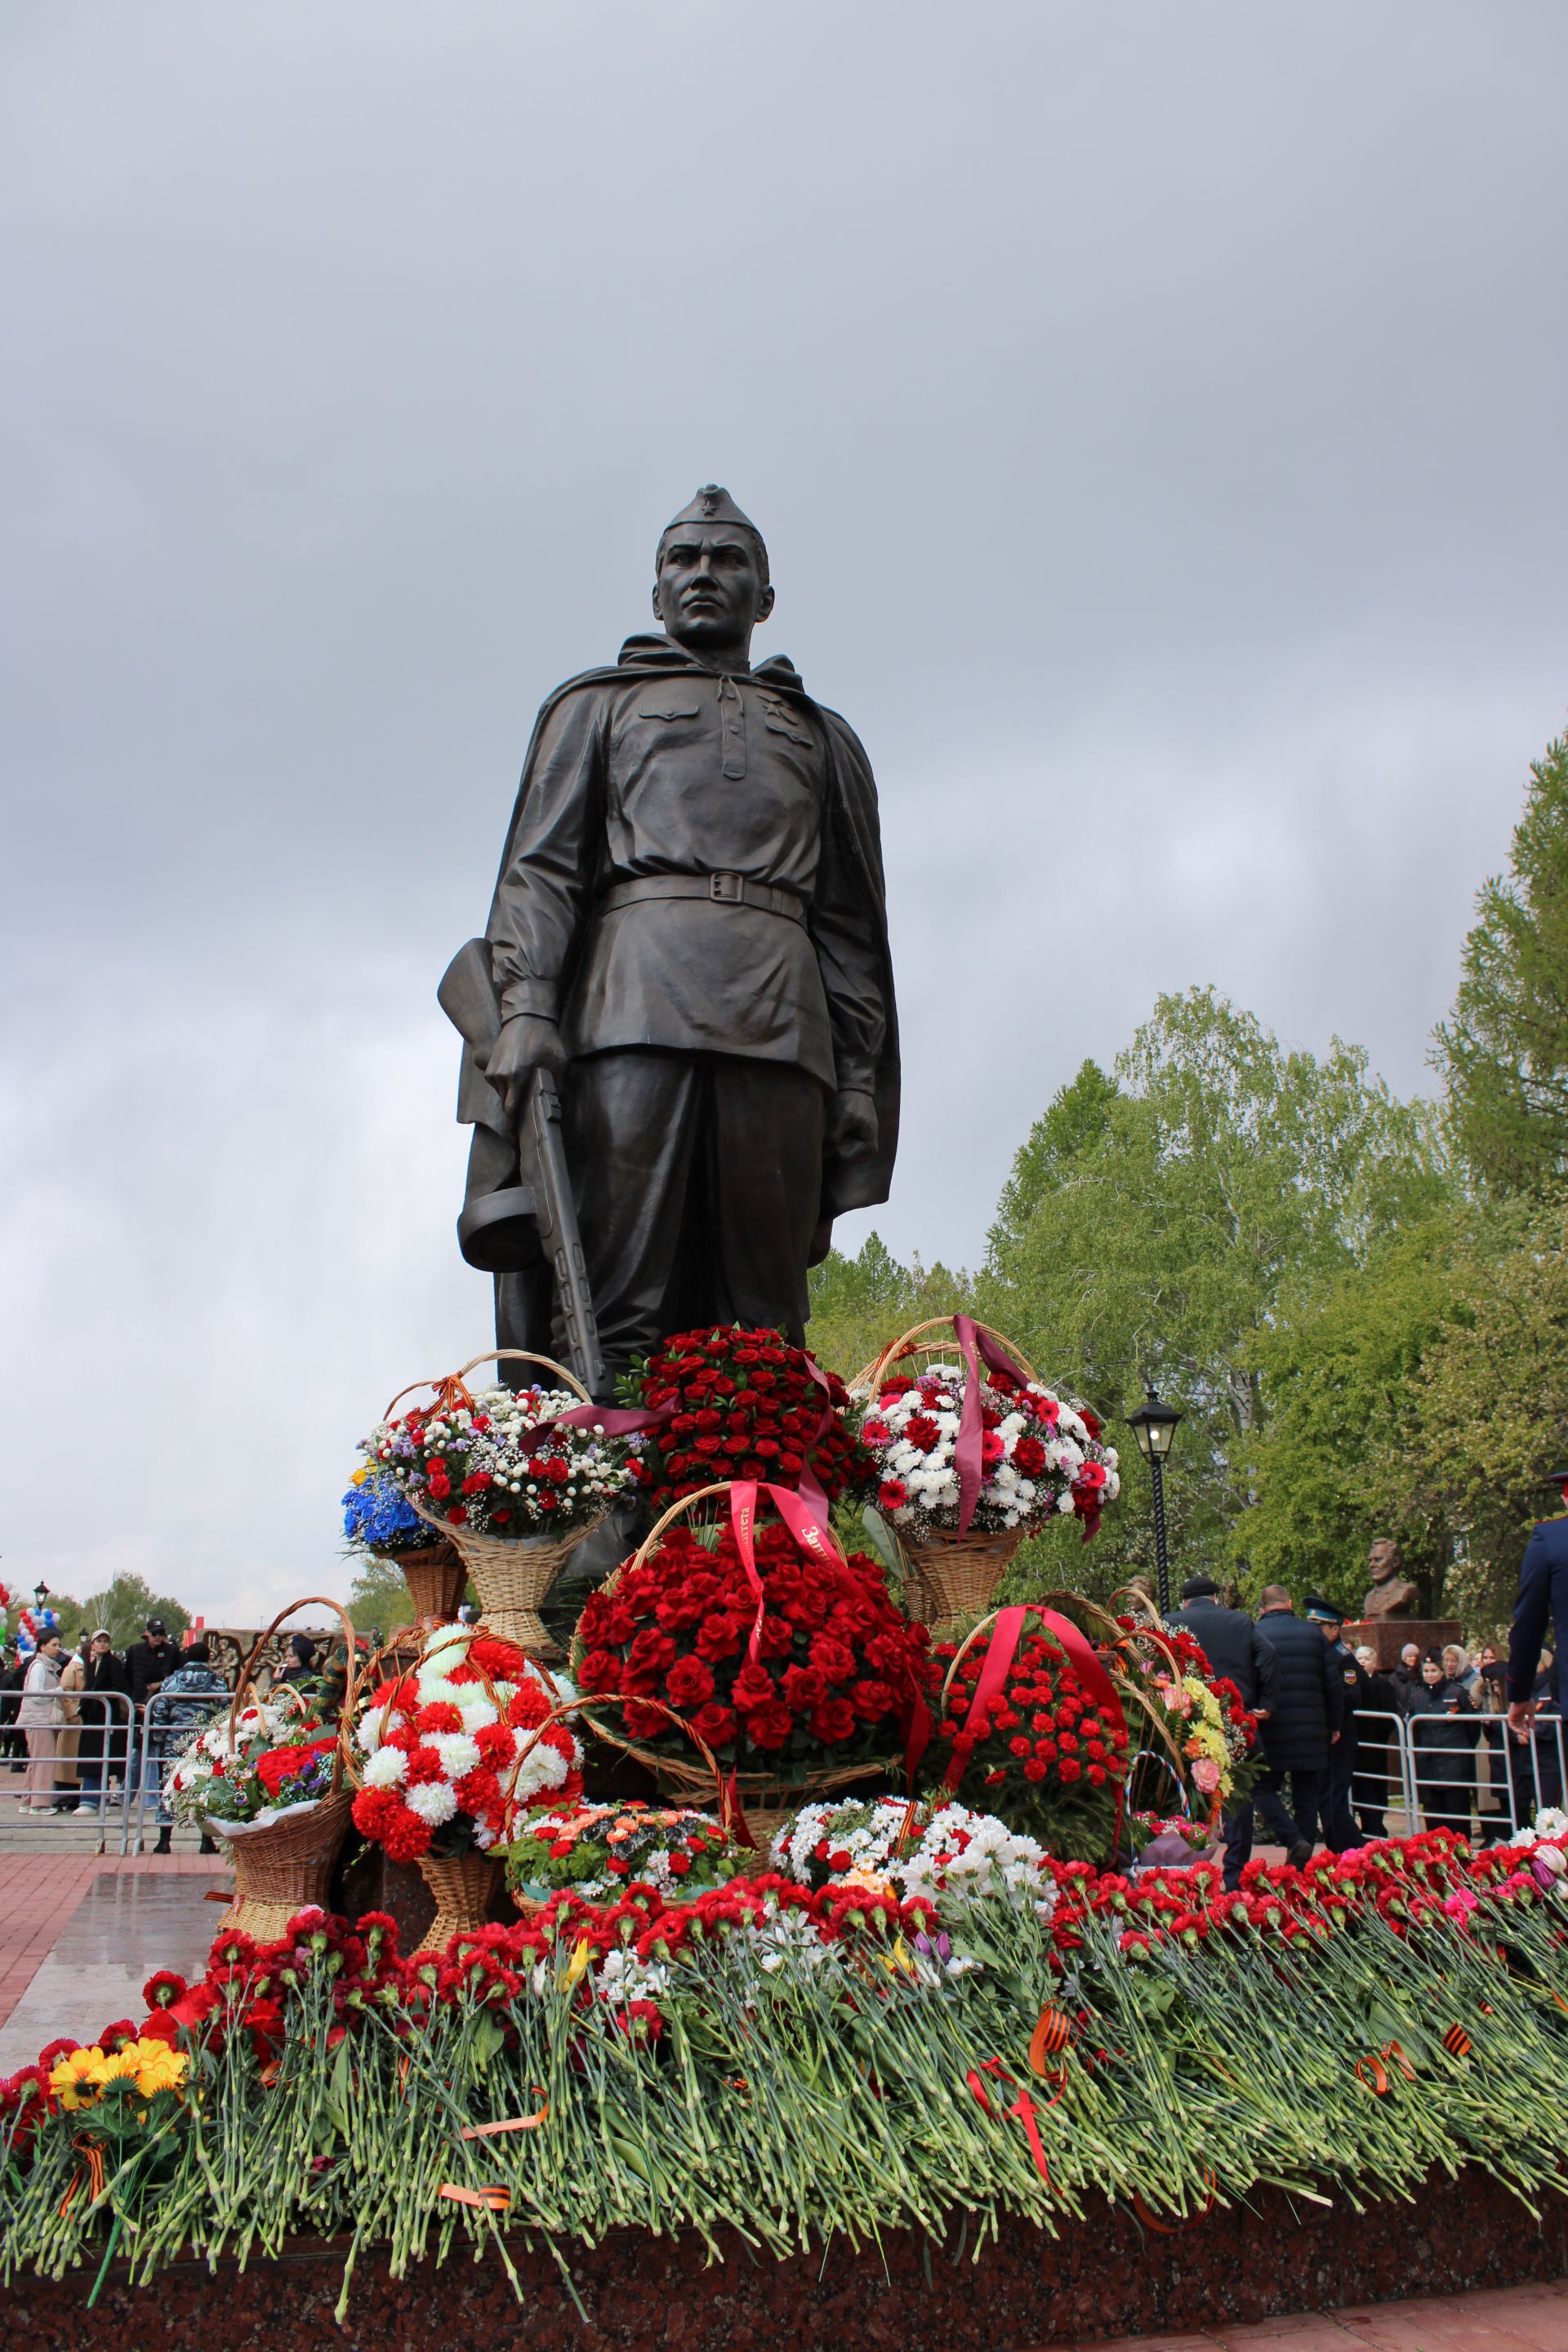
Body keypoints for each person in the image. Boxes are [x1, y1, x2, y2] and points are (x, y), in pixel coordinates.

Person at [446, 486, 899, 1389]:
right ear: (655, 594)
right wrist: (529, 1005)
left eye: (727, 560)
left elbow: (851, 927)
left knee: (765, 1318)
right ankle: (603, 1521)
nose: (702, 575)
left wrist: (856, 1077)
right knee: (614, 1297)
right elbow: (541, 869)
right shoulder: (594, 707)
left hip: (782, 1028)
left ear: (764, 597)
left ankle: (754, 1516)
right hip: (629, 1012)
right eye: (682, 560)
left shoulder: (821, 737)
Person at [1176, 1574, 1280, 1890]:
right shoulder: (1240, 1622)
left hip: (1187, 1720)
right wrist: (1264, 1701)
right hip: (1235, 1716)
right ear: (1216, 1598)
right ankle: (1235, 1873)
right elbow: (1269, 1656)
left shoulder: (1172, 1621)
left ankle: (1191, 1872)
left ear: (1185, 1601)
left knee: (1189, 1795)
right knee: (1237, 1798)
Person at [1251, 1586, 1344, 1867]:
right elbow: (1334, 1685)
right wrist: (1335, 1724)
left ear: (1262, 1609)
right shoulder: (1314, 1634)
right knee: (1306, 1797)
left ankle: (1293, 1839)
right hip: (1311, 1731)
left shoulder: (1256, 1633)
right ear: (1290, 1603)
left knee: (1262, 1788)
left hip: (1272, 1729)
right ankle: (1299, 1867)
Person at [144, 1638, 228, 1855]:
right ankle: (206, 1840)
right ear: (208, 1658)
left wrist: (161, 1738)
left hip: (175, 1744)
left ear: (186, 1658)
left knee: (170, 1787)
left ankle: (164, 1840)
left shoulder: (171, 1683)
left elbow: (160, 1712)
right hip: (206, 1745)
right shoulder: (218, 1684)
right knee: (206, 1787)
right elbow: (225, 1714)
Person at [1303, 1596, 1369, 1851]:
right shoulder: (1318, 1655)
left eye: (1318, 1628)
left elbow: (1353, 1696)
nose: (1313, 1633)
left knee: (1333, 1803)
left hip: (1339, 1740)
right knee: (1326, 1803)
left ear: (1335, 1630)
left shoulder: (1344, 1659)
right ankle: (1343, 1854)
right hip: (1322, 1739)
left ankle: (1357, 1853)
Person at [1405, 1650, 1480, 1833]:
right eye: (1427, 1671)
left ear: (1442, 1672)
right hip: (1429, 1764)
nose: (1430, 1675)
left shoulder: (1457, 1693)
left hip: (1454, 1763)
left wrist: (1463, 1750)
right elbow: (1414, 1730)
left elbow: (1473, 1727)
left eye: (1434, 1671)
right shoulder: (1417, 1696)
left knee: (1458, 1819)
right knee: (1435, 1821)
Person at [75, 1631, 131, 1815]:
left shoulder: (113, 1663)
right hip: (92, 1716)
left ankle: (96, 1800)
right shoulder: (90, 1664)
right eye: (99, 1641)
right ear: (92, 1644)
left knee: (101, 1756)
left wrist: (102, 1698)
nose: (103, 1644)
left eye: (106, 1641)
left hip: (105, 1716)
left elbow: (119, 1686)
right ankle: (92, 1799)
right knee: (92, 1757)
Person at [124, 1617, 176, 1814]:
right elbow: (127, 1675)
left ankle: (146, 1796)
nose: (158, 1637)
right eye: (155, 1633)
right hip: (138, 1706)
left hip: (159, 1706)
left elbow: (175, 1674)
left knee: (151, 1752)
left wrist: (160, 1688)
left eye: (161, 1633)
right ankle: (130, 1794)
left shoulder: (171, 1651)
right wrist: (132, 1699)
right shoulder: (135, 1650)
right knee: (138, 1752)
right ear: (147, 1633)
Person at [1352, 1644, 1402, 1840]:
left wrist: (1377, 1737)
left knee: (1375, 1788)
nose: (1363, 1662)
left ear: (1375, 1663)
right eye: (1360, 1659)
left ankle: (1375, 1828)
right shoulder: (1352, 1684)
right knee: (1358, 1789)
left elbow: (1389, 1716)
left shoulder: (1383, 1686)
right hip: (1357, 1746)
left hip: (1374, 1748)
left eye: (1367, 1659)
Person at [15, 1634, 66, 1814]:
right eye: (54, 1645)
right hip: (39, 1720)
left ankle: (28, 1800)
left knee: (36, 1762)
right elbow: (35, 1694)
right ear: (42, 1647)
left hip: (37, 1719)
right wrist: (57, 1691)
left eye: (59, 1645)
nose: (57, 1648)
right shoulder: (39, 1667)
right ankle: (40, 1803)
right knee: (44, 1761)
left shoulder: (43, 1667)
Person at [1389, 1641, 1423, 1709]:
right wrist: (1404, 1713)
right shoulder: (1395, 1677)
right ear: (1404, 1658)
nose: (1413, 1658)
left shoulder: (1421, 1674)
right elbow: (1392, 1697)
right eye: (1410, 1656)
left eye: (1415, 1656)